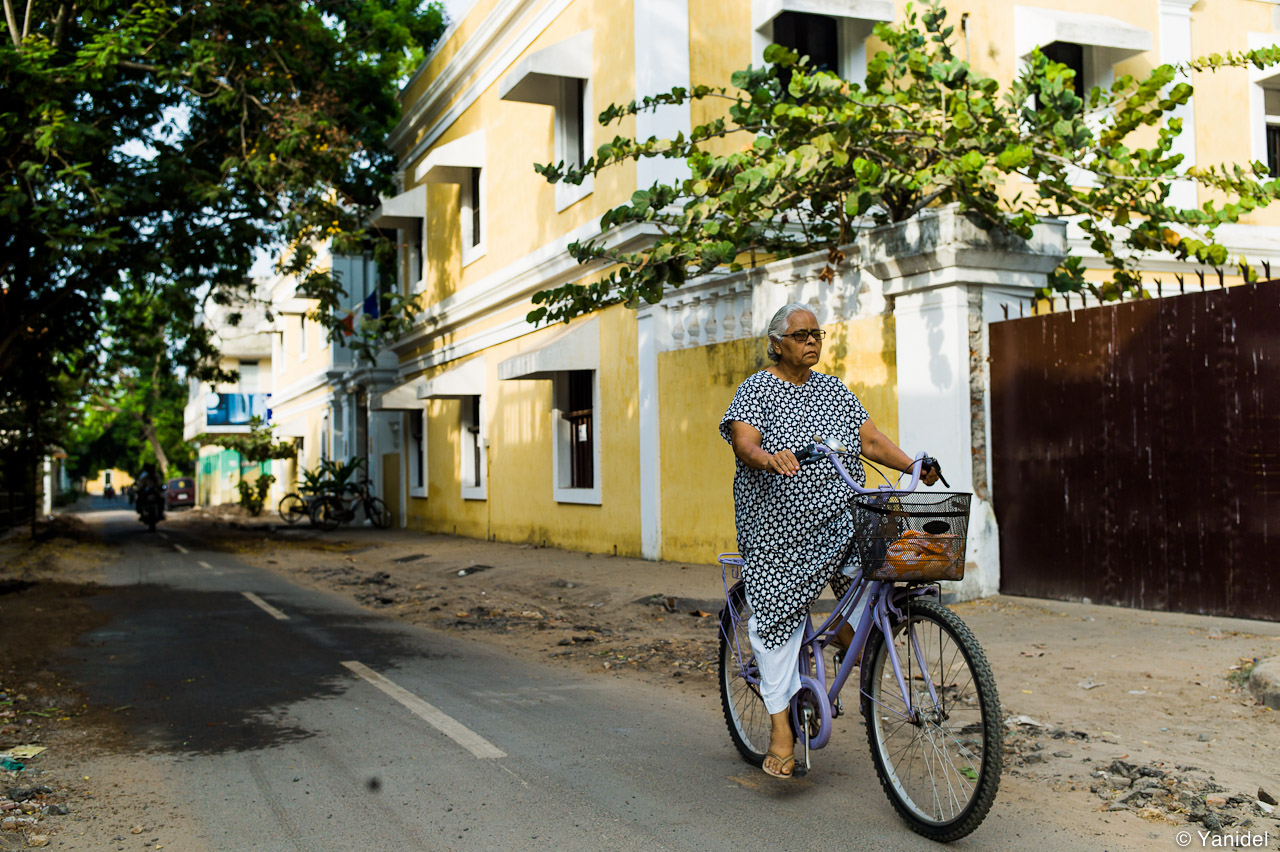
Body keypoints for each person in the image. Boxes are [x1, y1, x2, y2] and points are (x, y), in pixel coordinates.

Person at [719, 302, 940, 780]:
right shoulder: (757, 390)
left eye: (817, 333)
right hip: (779, 530)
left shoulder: (834, 390)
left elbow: (872, 441)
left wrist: (913, 466)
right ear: (777, 343)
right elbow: (743, 441)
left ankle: (846, 636)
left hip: (842, 519)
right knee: (777, 620)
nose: (812, 340)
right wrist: (767, 457)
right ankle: (781, 731)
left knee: (881, 576)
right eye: (801, 334)